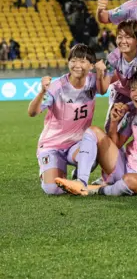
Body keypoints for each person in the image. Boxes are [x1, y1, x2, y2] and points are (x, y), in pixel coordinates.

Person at [55, 71, 137, 196]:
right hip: (125, 165)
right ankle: (81, 181)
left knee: (130, 181)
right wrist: (114, 122)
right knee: (93, 131)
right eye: (132, 90)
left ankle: (95, 190)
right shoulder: (134, 113)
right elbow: (116, 144)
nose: (135, 94)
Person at [27, 44, 99, 195]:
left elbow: (118, 77)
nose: (77, 65)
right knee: (53, 189)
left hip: (77, 145)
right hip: (53, 145)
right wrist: (42, 92)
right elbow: (32, 112)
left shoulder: (94, 81)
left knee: (94, 153)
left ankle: (80, 179)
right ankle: (51, 169)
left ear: (91, 65)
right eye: (73, 60)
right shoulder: (55, 87)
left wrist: (104, 69)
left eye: (82, 61)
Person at [95, 20, 137, 128]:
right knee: (110, 128)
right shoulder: (113, 57)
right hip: (121, 92)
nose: (123, 41)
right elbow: (103, 90)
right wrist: (99, 74)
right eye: (120, 37)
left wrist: (129, 106)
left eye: (128, 37)